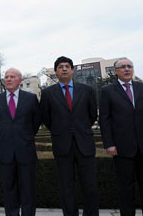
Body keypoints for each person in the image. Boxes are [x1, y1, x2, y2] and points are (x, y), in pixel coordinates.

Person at [99, 58, 143, 216]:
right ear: (115, 71)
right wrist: (109, 144)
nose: (127, 69)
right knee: (125, 187)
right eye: (123, 67)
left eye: (130, 66)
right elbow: (105, 120)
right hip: (122, 147)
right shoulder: (107, 91)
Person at [40, 56, 99, 216]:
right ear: (55, 71)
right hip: (62, 144)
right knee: (66, 187)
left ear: (72, 70)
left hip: (84, 143)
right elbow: (46, 118)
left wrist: (79, 128)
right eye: (60, 67)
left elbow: (92, 114)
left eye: (67, 66)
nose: (64, 69)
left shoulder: (87, 90)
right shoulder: (47, 93)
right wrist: (61, 130)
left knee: (90, 186)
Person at [0, 68, 41, 216]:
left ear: (20, 80)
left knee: (28, 190)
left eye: (12, 77)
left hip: (26, 150)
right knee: (9, 190)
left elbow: (36, 121)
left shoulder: (30, 98)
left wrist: (24, 137)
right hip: (6, 152)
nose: (8, 79)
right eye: (6, 77)